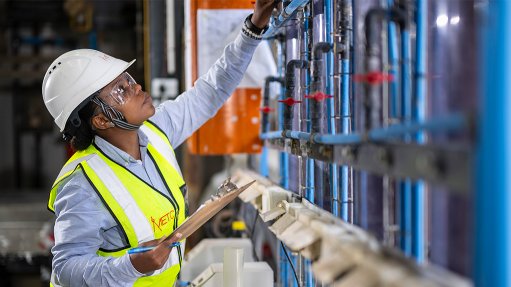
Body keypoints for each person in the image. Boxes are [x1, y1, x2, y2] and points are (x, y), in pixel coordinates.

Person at [41, 1, 276, 286]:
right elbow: (66, 269)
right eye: (120, 90)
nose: (136, 87)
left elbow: (211, 90)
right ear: (101, 121)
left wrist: (254, 26)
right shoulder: (82, 184)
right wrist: (130, 266)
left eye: (127, 79)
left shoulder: (155, 133)